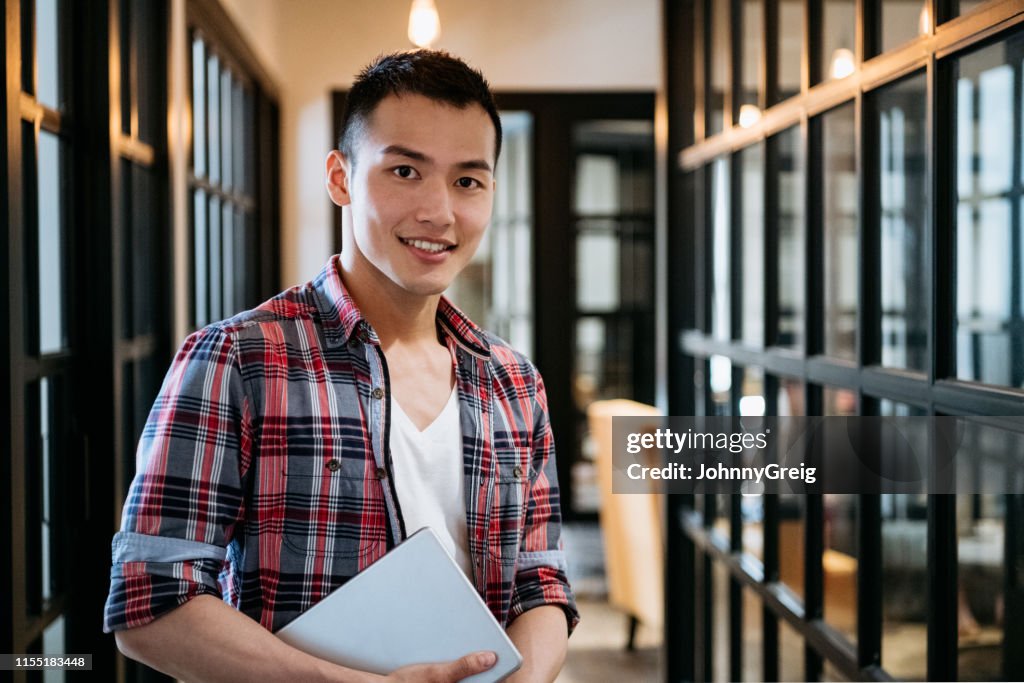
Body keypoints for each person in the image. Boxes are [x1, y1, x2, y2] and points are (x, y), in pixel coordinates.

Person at [105, 50, 578, 682]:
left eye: (469, 180)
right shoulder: (238, 359)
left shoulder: (514, 382)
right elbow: (150, 604)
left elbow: (540, 583)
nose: (439, 212)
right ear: (339, 177)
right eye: (405, 170)